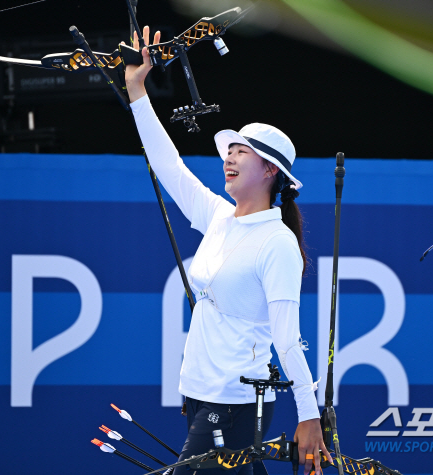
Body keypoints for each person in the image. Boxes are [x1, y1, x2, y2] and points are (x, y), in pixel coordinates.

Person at [123, 27, 332, 475]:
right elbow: (168, 166)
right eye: (229, 151)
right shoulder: (219, 216)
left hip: (235, 402)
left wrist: (309, 414)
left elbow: (286, 337)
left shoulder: (277, 243)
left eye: (242, 152)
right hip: (198, 392)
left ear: (270, 171)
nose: (229, 158)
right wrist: (137, 89)